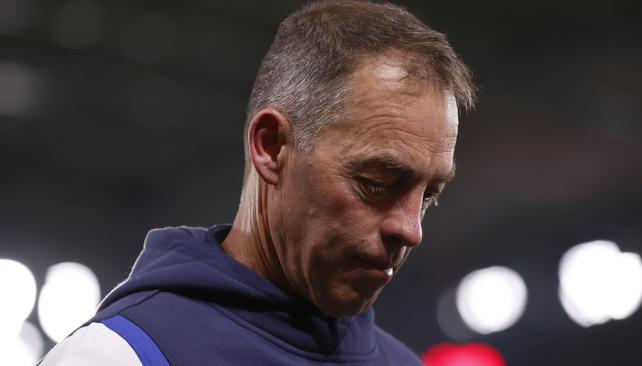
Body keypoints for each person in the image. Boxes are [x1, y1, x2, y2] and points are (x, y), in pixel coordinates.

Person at [39, 0, 475, 365]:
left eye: (428, 197)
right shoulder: (117, 356)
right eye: (377, 183)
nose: (411, 231)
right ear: (271, 147)